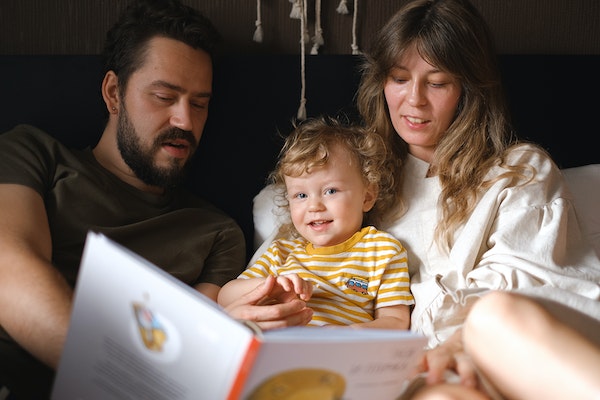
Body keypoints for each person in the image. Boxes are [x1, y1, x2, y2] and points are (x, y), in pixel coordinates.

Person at [0, 1, 311, 398]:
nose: (185, 121)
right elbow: (10, 268)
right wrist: (120, 382)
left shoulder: (216, 231)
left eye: (199, 104)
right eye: (164, 97)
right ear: (114, 93)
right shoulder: (31, 153)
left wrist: (230, 327)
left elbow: (197, 335)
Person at [352, 0, 600, 397]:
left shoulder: (518, 170)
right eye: (399, 78)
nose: (413, 99)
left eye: (437, 83)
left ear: (468, 91)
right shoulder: (356, 185)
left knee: (493, 316)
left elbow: (524, 281)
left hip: (516, 347)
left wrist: (458, 343)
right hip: (426, 369)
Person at [219, 116, 414, 329]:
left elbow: (396, 321)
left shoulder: (382, 251)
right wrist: (269, 286)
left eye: (330, 191)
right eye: (301, 195)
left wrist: (344, 335)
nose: (314, 206)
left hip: (341, 354)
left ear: (367, 197)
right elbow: (225, 296)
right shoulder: (281, 253)